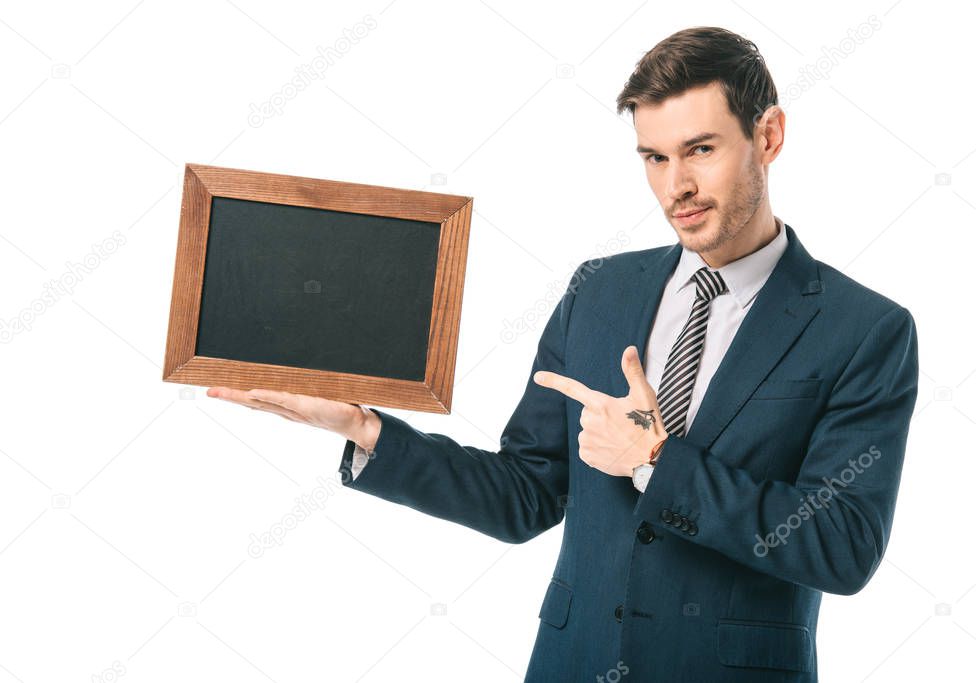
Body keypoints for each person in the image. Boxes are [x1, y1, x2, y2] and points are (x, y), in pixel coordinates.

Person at [209, 26, 919, 682]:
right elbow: (525, 494)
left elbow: (842, 544)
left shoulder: (862, 329)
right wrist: (365, 429)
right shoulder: (599, 290)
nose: (676, 186)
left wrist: (654, 460)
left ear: (768, 136)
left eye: (701, 149)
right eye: (654, 157)